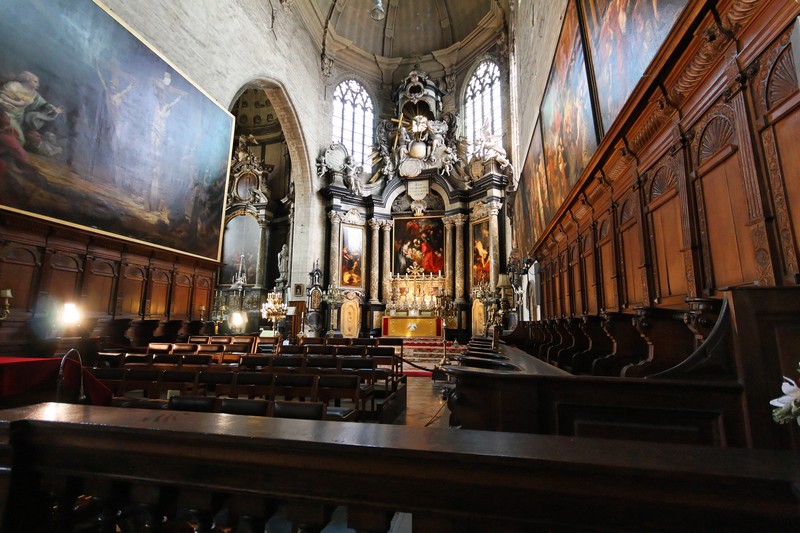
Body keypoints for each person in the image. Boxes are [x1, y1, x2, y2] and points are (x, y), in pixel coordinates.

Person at [0, 71, 63, 145]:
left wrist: (53, 109)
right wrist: (18, 103)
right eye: (35, 81)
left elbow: (43, 104)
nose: (38, 84)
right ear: (27, 79)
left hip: (17, 118)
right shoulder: (13, 85)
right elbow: (2, 96)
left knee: (18, 140)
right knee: (20, 140)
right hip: (5, 114)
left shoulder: (33, 93)